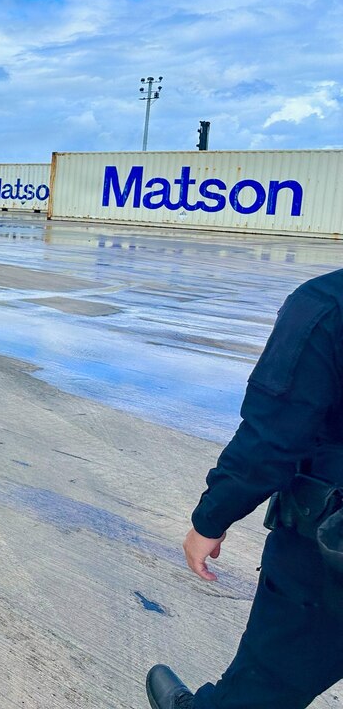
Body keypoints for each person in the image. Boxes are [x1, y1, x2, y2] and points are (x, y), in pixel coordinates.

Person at [146, 269, 343, 708]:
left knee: (265, 685)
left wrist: (210, 518)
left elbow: (272, 437)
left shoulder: (327, 304)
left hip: (328, 551)